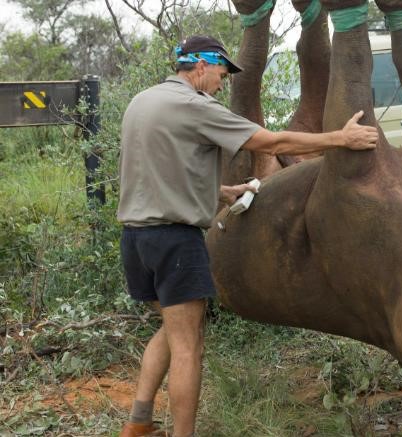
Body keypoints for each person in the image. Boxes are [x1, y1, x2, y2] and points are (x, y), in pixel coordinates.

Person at [117, 35, 378, 437]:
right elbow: (270, 141)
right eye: (221, 74)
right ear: (200, 67)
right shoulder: (195, 106)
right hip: (174, 242)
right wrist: (339, 139)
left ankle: (137, 423)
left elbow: (157, 169)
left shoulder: (142, 102)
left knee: (172, 331)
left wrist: (219, 193)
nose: (222, 84)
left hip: (135, 240)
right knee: (189, 344)